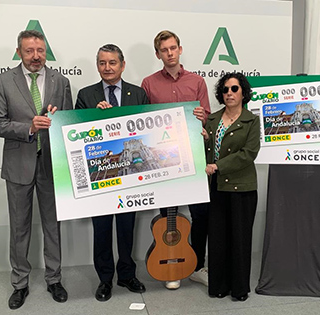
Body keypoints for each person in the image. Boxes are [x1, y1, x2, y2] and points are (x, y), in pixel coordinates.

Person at [0, 30, 72, 310]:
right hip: (18, 165)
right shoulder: (3, 81)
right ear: (19, 51)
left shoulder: (61, 81)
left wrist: (58, 119)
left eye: (40, 50)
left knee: (53, 226)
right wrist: (29, 127)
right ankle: (20, 283)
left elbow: (69, 123)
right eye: (29, 51)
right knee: (20, 228)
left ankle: (54, 279)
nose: (36, 56)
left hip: (51, 164)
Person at [75, 44, 148, 302]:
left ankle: (127, 274)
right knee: (102, 229)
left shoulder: (138, 94)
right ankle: (105, 279)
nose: (107, 67)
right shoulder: (86, 94)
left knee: (127, 228)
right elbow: (79, 134)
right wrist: (95, 117)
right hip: (102, 175)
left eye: (112, 62)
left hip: (131, 176)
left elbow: (145, 131)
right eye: (102, 63)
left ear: (122, 65)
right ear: (98, 66)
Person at [141, 30, 211, 290]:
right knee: (167, 214)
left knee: (200, 213)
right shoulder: (148, 84)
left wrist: (201, 119)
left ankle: (198, 266)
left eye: (173, 48)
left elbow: (207, 118)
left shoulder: (197, 82)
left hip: (193, 157)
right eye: (164, 50)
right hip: (163, 161)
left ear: (180, 49)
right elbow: (142, 123)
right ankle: (172, 265)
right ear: (158, 54)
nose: (169, 53)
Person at [203, 72, 260, 302]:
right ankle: (218, 286)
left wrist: (218, 166)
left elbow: (248, 154)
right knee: (217, 239)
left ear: (243, 93)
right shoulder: (212, 120)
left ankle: (239, 289)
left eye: (234, 89)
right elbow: (206, 152)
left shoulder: (251, 121)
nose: (229, 93)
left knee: (240, 240)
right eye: (225, 89)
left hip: (242, 189)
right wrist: (205, 140)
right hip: (216, 188)